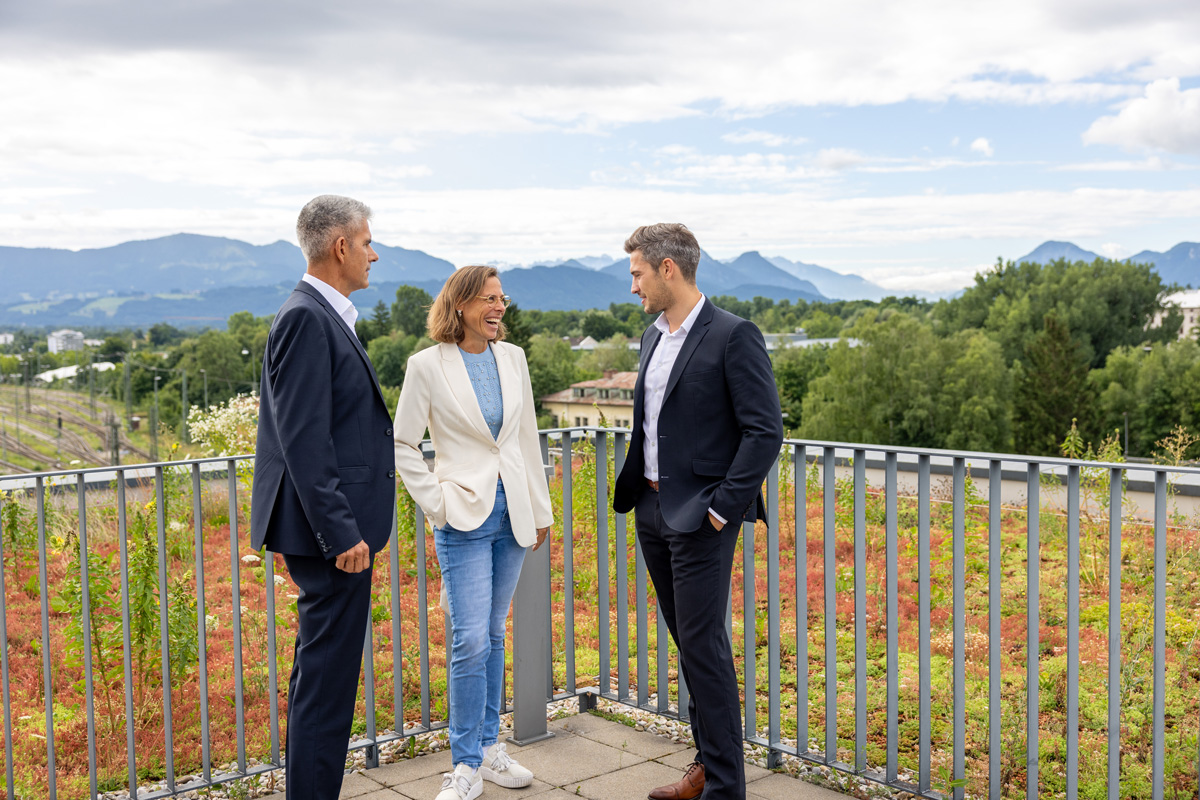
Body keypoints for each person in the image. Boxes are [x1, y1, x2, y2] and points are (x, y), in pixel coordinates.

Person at [612, 223, 783, 800]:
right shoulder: (652, 337)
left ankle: (724, 789)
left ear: (667, 269)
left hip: (702, 517)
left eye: (637, 272)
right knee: (691, 644)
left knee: (704, 648)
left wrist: (722, 511)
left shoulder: (734, 335)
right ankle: (707, 766)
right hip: (652, 508)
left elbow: (764, 432)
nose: (632, 285)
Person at [250, 195, 397, 799]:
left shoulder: (321, 313)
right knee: (326, 686)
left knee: (324, 677)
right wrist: (341, 534)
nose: (374, 252)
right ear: (341, 247)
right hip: (332, 536)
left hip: (333, 530)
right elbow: (303, 439)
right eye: (367, 241)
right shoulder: (307, 317)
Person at [393, 265, 554, 800]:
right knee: (467, 640)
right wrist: (436, 502)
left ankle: (488, 749)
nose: (499, 308)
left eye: (501, 298)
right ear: (459, 305)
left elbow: (525, 437)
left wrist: (541, 507)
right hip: (461, 515)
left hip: (514, 516)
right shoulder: (426, 366)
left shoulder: (514, 358)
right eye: (488, 299)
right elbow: (402, 444)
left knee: (492, 635)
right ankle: (463, 766)